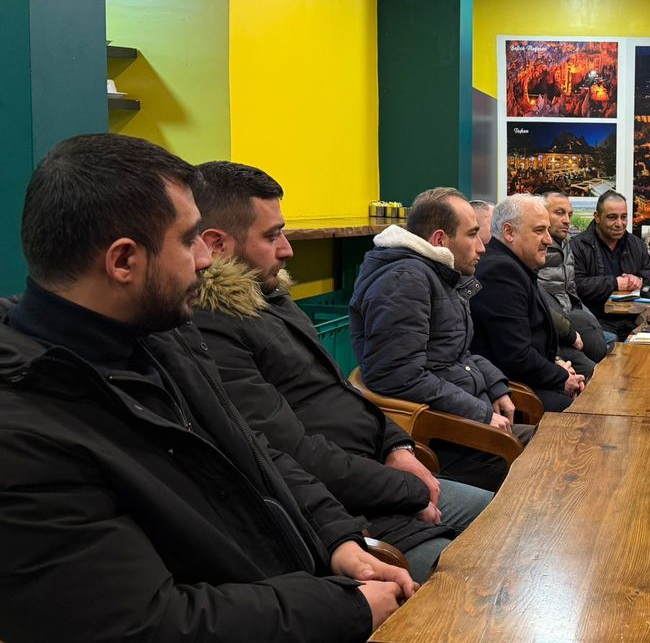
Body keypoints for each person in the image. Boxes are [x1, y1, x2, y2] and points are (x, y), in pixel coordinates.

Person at [0, 133, 412, 643]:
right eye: (189, 239)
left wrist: (338, 539)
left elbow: (255, 452)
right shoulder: (24, 435)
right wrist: (343, 607)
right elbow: (143, 625)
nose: (206, 259)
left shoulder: (160, 335)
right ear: (123, 261)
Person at [191, 162, 494, 582]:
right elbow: (292, 454)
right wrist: (407, 489)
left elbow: (343, 392)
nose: (287, 250)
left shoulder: (272, 300)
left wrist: (397, 445)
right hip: (351, 511)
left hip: (380, 473)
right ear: (217, 245)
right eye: (272, 235)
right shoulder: (214, 329)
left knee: (509, 514)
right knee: (483, 574)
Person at [349, 187, 534, 492]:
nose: (482, 247)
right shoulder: (405, 280)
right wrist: (481, 414)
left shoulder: (438, 275)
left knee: (564, 441)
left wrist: (496, 385)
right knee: (558, 456)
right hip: (450, 441)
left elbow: (458, 354)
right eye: (472, 235)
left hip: (471, 424)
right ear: (439, 240)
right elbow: (397, 376)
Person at [472, 194, 587, 412]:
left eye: (547, 230)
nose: (548, 240)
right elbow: (516, 357)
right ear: (509, 232)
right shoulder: (500, 272)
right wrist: (561, 377)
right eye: (539, 230)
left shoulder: (514, 266)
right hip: (513, 393)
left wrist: (558, 366)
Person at [570, 190, 650, 336]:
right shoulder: (578, 245)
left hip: (634, 320)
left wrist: (639, 280)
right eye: (612, 217)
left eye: (623, 217)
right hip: (596, 323)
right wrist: (615, 283)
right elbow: (576, 286)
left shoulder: (635, 244)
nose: (619, 224)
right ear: (597, 217)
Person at [538, 190, 611, 363]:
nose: (567, 220)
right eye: (559, 213)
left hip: (574, 319)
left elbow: (572, 292)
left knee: (616, 345)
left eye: (569, 215)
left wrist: (591, 321)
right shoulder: (535, 248)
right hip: (554, 328)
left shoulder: (566, 243)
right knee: (599, 367)